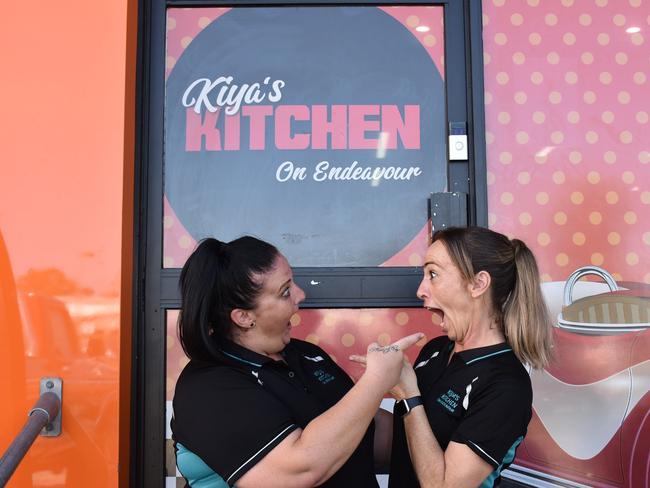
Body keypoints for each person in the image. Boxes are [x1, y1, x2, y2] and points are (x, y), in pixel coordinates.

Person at [171, 236, 422, 488]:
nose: (301, 295)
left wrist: (431, 420)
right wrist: (377, 380)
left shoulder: (304, 354)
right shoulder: (209, 387)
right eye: (285, 291)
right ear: (244, 316)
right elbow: (300, 469)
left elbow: (368, 431)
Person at [385, 226, 552, 488]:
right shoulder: (436, 350)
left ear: (477, 284)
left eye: (433, 274)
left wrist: (408, 397)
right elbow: (404, 437)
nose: (420, 290)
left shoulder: (506, 385)